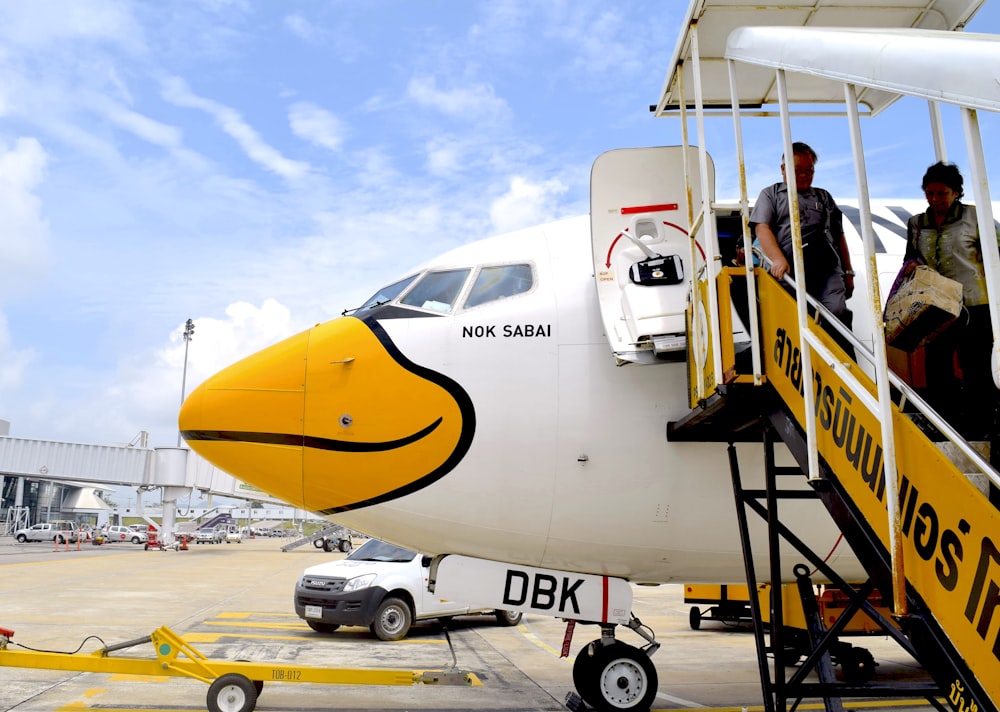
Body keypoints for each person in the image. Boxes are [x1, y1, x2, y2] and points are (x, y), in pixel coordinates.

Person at [899, 161, 999, 441]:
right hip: (938, 306)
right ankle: (946, 423)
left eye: (941, 193)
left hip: (975, 304)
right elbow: (911, 258)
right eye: (929, 193)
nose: (934, 200)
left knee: (976, 366)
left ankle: (981, 426)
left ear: (956, 192)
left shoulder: (977, 218)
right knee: (936, 366)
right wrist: (911, 267)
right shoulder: (916, 223)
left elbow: (996, 255)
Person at [750, 142, 856, 353]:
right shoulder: (770, 195)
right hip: (791, 269)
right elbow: (761, 228)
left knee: (836, 309)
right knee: (795, 316)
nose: (805, 176)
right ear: (783, 169)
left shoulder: (823, 197)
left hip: (826, 266)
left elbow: (838, 234)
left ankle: (842, 357)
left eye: (809, 171)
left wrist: (848, 271)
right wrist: (778, 259)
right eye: (798, 171)